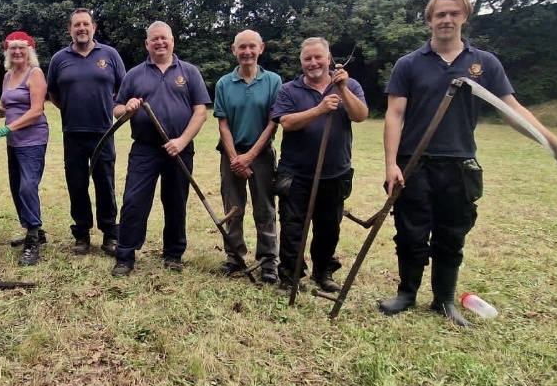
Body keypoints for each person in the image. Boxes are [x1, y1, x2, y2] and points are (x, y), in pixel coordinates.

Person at [380, 0, 557, 325]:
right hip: (415, 162)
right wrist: (391, 164)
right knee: (411, 232)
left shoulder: (484, 63)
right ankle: (406, 294)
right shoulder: (409, 64)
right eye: (440, 14)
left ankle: (444, 300)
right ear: (429, 20)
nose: (446, 20)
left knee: (452, 234)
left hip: (460, 164)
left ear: (464, 17)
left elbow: (511, 110)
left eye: (453, 14)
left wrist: (554, 144)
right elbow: (394, 115)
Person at [110, 21, 210, 276]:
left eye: (164, 38)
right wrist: (128, 108)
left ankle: (173, 254)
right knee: (134, 201)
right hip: (145, 149)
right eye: (154, 39)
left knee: (176, 201)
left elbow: (200, 111)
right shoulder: (134, 74)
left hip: (179, 148)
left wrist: (182, 141)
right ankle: (125, 256)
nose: (159, 42)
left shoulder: (189, 72)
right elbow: (117, 110)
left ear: (173, 41)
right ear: (147, 44)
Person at [271, 38, 368, 294]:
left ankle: (323, 272)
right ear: (301, 62)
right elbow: (287, 123)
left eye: (318, 57)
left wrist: (343, 88)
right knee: (293, 226)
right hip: (296, 173)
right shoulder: (289, 90)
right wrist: (319, 109)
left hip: (335, 172)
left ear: (328, 58)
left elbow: (360, 115)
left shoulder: (349, 85)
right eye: (307, 59)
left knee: (328, 228)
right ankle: (290, 276)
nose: (313, 63)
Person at [46, 8, 126, 257]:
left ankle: (110, 234)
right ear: (70, 29)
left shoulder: (110, 55)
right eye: (76, 25)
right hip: (73, 132)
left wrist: (109, 108)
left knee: (105, 184)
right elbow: (54, 94)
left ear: (94, 27)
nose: (81, 28)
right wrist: (71, 109)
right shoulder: (60, 58)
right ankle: (81, 234)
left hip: (103, 131)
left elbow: (123, 89)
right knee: (77, 185)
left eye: (85, 24)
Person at [213, 29, 283, 283]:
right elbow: (223, 124)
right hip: (231, 154)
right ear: (234, 50)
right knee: (233, 209)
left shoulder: (274, 81)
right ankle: (234, 257)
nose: (247, 52)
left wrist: (250, 156)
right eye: (241, 47)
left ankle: (268, 262)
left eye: (252, 46)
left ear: (261, 48)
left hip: (261, 155)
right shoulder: (223, 83)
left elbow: (273, 123)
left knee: (265, 209)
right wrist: (235, 158)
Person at [0, 32, 49, 266]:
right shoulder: (7, 75)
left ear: (29, 51)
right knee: (16, 187)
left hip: (33, 139)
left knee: (26, 187)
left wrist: (7, 129)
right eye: (12, 48)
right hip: (14, 140)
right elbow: (8, 105)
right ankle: (35, 231)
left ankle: (32, 239)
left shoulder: (35, 74)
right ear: (7, 52)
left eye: (22, 48)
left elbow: (35, 111)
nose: (17, 52)